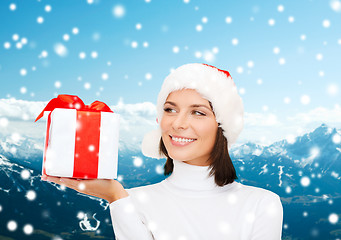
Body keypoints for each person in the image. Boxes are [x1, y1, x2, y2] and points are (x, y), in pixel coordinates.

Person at [43, 63, 283, 240]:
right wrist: (116, 198)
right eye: (170, 110)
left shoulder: (261, 205)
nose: (178, 123)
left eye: (198, 112)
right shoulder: (131, 201)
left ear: (222, 128)